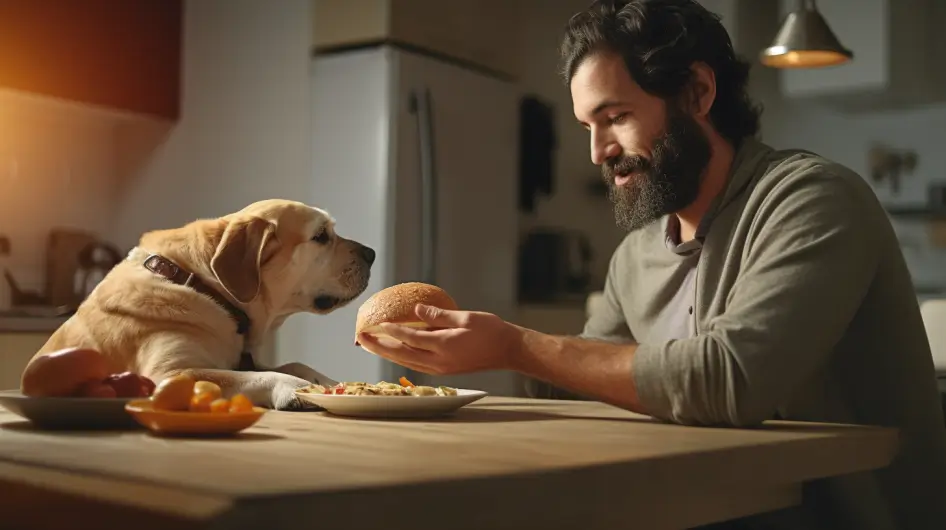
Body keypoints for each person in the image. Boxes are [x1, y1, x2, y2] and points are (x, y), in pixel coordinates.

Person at [356, 0, 946, 528]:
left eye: (615, 117)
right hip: (712, 506)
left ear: (697, 92)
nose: (597, 152)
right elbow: (583, 389)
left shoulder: (812, 198)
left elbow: (730, 381)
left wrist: (512, 346)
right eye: (588, 126)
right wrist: (460, 345)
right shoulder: (638, 251)